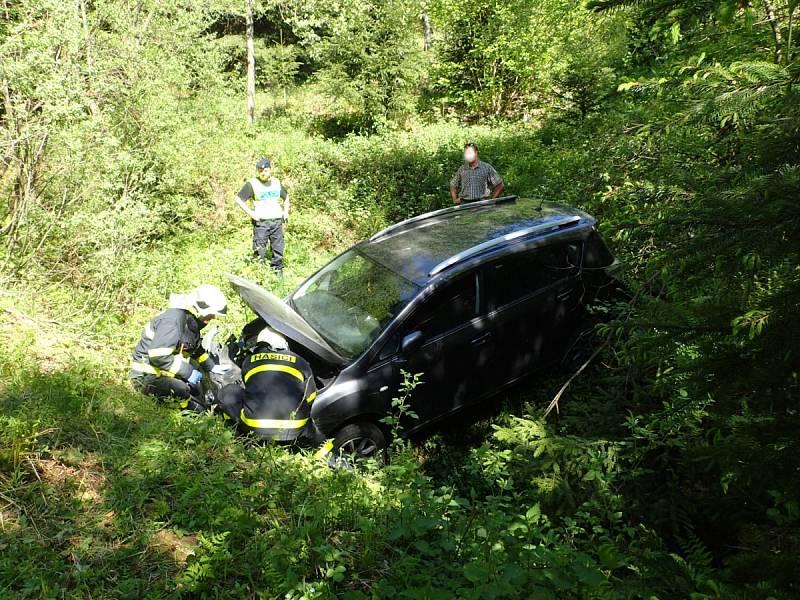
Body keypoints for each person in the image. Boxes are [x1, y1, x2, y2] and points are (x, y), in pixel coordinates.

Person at [130, 285, 228, 412]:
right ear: (198, 309)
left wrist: (211, 366)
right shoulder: (172, 321)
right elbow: (159, 357)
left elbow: (195, 349)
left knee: (194, 380)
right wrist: (188, 372)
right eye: (211, 314)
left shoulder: (187, 321)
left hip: (162, 372)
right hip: (144, 378)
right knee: (180, 389)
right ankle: (186, 412)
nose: (213, 318)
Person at [217, 326, 318, 443]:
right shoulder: (300, 361)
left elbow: (251, 389)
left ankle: (235, 434)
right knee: (319, 440)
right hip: (296, 429)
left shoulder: (249, 361)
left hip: (255, 427)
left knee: (228, 392)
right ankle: (333, 457)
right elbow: (310, 397)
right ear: (284, 343)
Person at [234, 157, 290, 273]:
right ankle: (259, 274)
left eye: (265, 170)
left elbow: (286, 197)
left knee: (278, 249)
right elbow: (238, 199)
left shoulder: (276, 182)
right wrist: (251, 213)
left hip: (277, 222)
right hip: (261, 223)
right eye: (260, 170)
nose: (262, 172)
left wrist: (285, 212)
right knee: (259, 251)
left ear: (270, 170)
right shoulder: (252, 184)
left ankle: (278, 272)